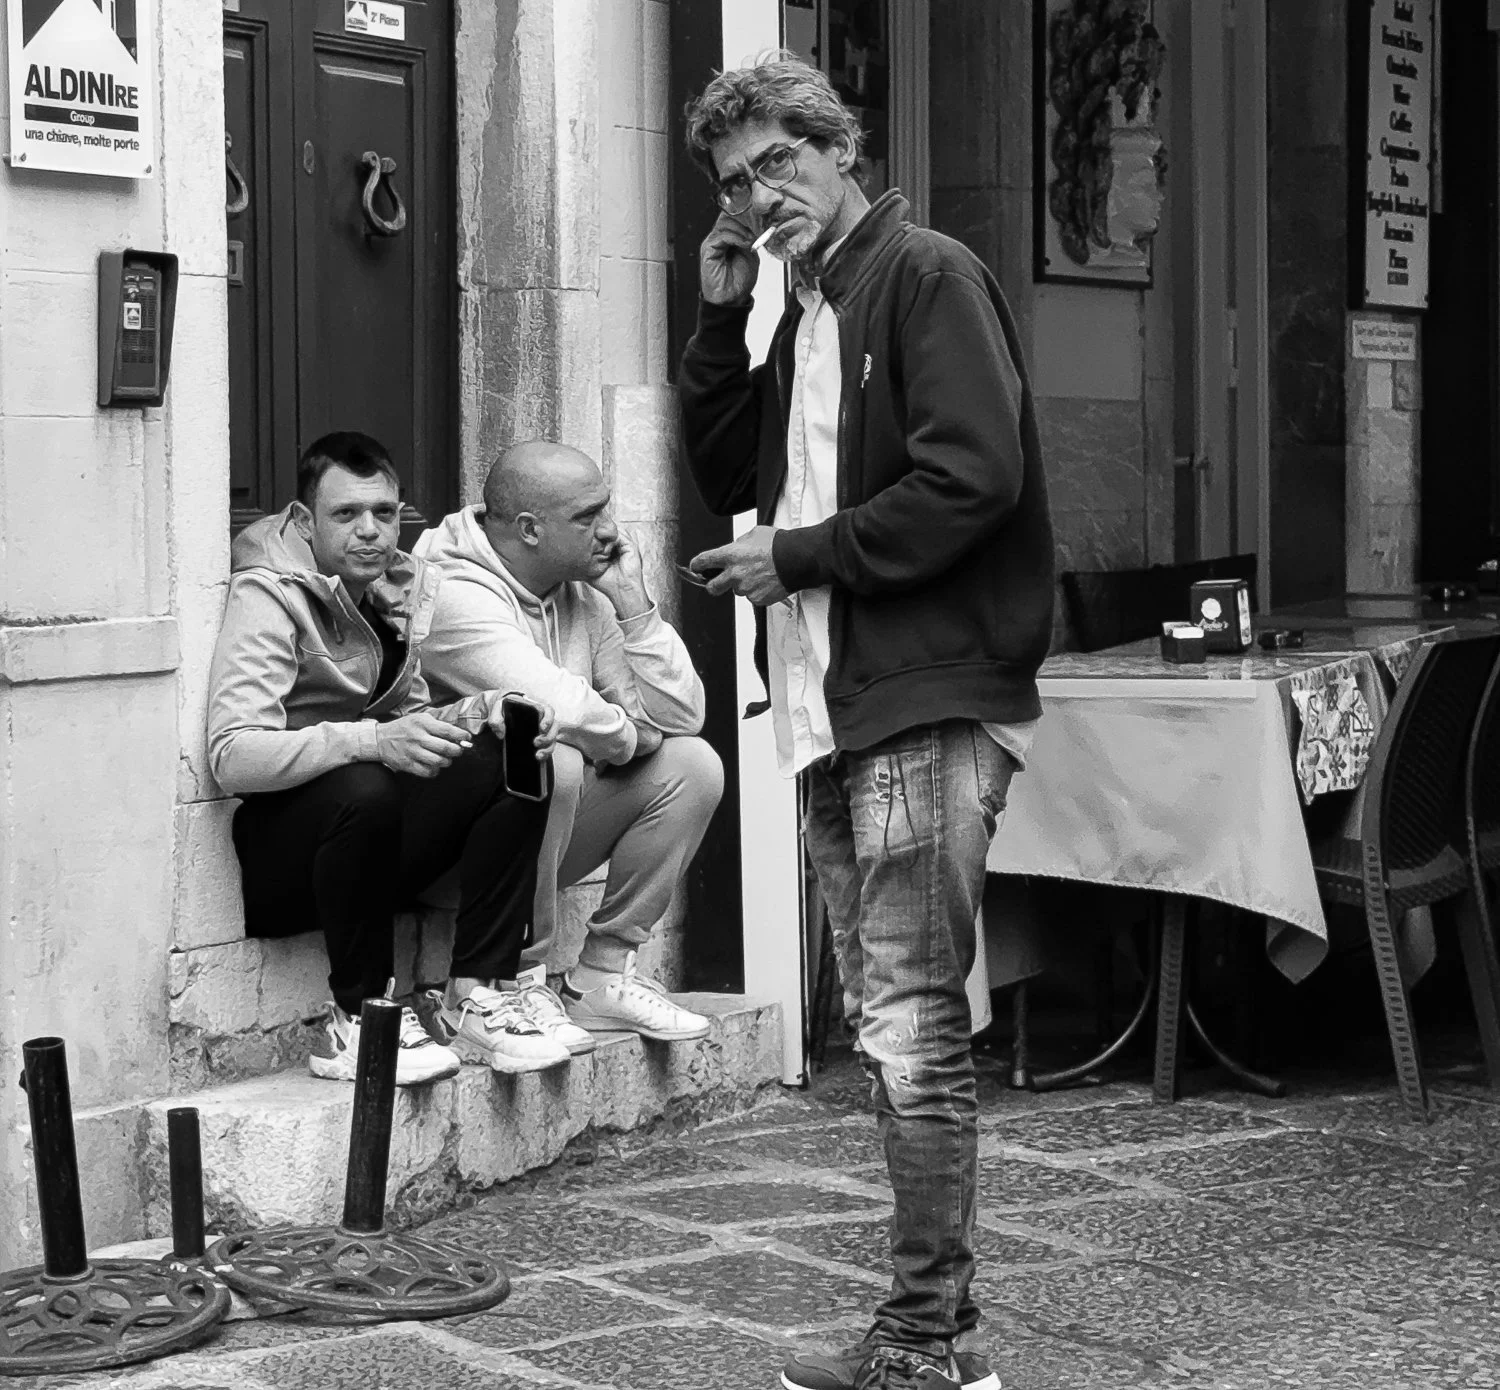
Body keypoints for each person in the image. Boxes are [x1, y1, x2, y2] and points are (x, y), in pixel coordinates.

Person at [678, 53, 1054, 1390]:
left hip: (924, 693)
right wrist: (723, 319)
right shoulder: (807, 304)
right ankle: (926, 1336)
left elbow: (977, 475)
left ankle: (926, 1344)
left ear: (841, 152)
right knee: (900, 1019)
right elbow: (734, 471)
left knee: (907, 1020)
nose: (761, 191)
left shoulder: (923, 274)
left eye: (781, 160)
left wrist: (803, 556)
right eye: (736, 181)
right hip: (846, 705)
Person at [207, 431, 573, 1085]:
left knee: (516, 748)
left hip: (370, 848)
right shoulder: (268, 595)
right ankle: (361, 1018)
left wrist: (475, 713)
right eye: (346, 515)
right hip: (283, 860)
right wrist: (370, 741)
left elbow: (408, 726)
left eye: (383, 513)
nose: (371, 531)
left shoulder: (398, 588)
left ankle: (479, 995)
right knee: (366, 785)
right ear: (303, 520)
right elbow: (233, 756)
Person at [413, 440, 724, 1054]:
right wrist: (630, 734)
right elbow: (555, 705)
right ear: (529, 529)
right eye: (588, 516)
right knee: (549, 752)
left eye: (606, 507)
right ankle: (511, 978)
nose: (611, 531)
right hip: (446, 857)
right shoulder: (450, 593)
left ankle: (601, 975)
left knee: (694, 765)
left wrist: (633, 605)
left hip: (542, 840)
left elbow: (684, 715)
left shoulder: (580, 590)